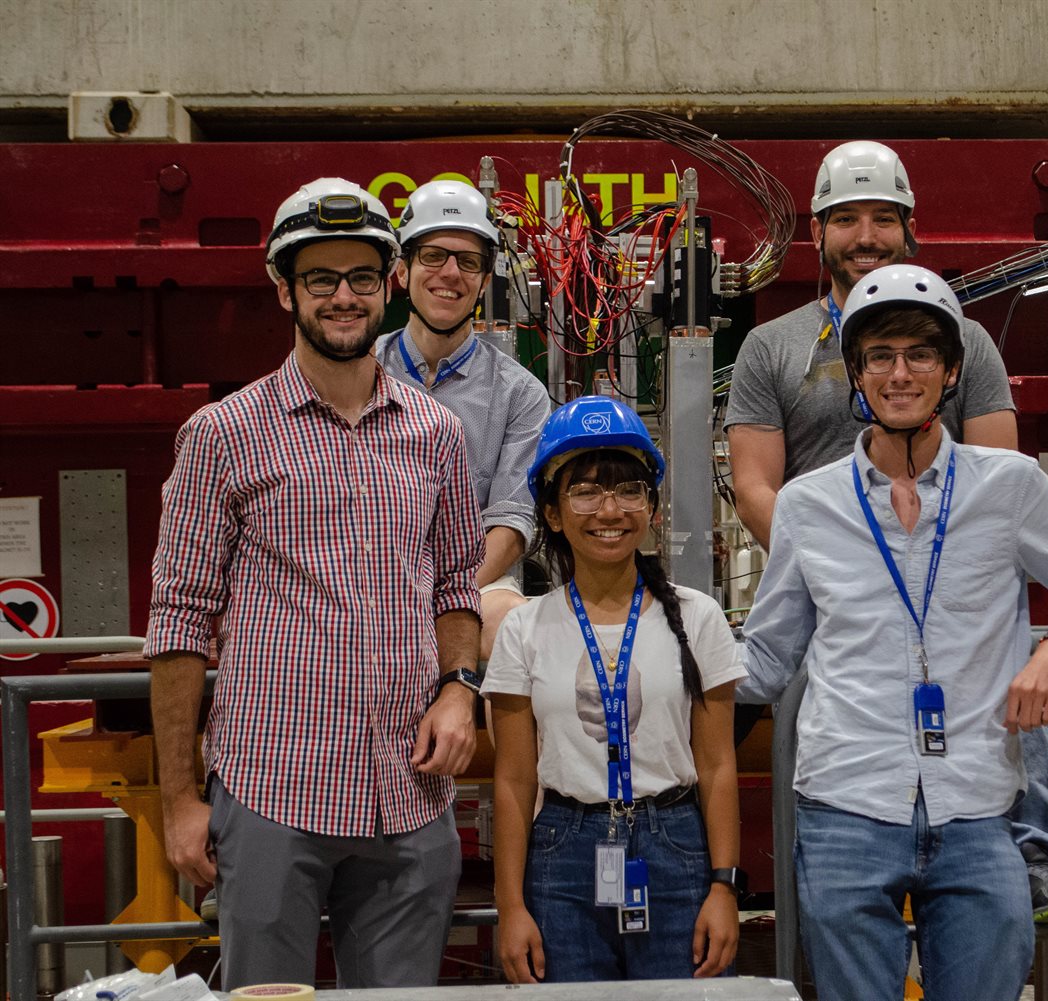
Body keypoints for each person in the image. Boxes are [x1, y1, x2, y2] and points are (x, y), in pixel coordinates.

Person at [725, 139, 1048, 923]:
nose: (865, 234)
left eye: (883, 218)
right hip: (833, 583)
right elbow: (758, 481)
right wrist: (832, 560)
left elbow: (999, 481)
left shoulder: (967, 338)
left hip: (944, 561)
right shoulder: (773, 346)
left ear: (911, 228)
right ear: (818, 232)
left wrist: (943, 558)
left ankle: (1040, 852)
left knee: (992, 666)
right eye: (847, 218)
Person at [741, 265, 1048, 1001]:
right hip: (846, 804)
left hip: (978, 805)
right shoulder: (807, 505)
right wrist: (660, 652)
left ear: (951, 371)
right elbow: (766, 657)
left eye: (920, 355)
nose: (900, 373)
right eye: (880, 355)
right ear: (855, 373)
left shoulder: (1008, 486)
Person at [146, 177, 486, 990]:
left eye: (362, 278)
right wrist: (181, 799)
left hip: (408, 792)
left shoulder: (436, 434)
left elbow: (457, 586)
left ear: (390, 284)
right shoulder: (223, 436)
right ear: (284, 289)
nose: (343, 297)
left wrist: (458, 689)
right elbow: (179, 621)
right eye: (321, 279)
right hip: (272, 788)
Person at [486, 396, 745, 984]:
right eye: (585, 491)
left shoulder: (698, 619)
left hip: (676, 849)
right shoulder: (524, 630)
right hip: (562, 854)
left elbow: (718, 764)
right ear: (551, 513)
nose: (610, 509)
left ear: (650, 507)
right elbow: (513, 780)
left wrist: (723, 887)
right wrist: (512, 907)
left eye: (629, 490)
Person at [375, 179, 550, 658]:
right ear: (402, 268)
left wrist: (440, 596)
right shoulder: (358, 372)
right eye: (433, 256)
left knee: (514, 631)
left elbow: (513, 526)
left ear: (484, 280)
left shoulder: (520, 395)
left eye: (468, 262)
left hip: (479, 583)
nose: (450, 273)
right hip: (367, 582)